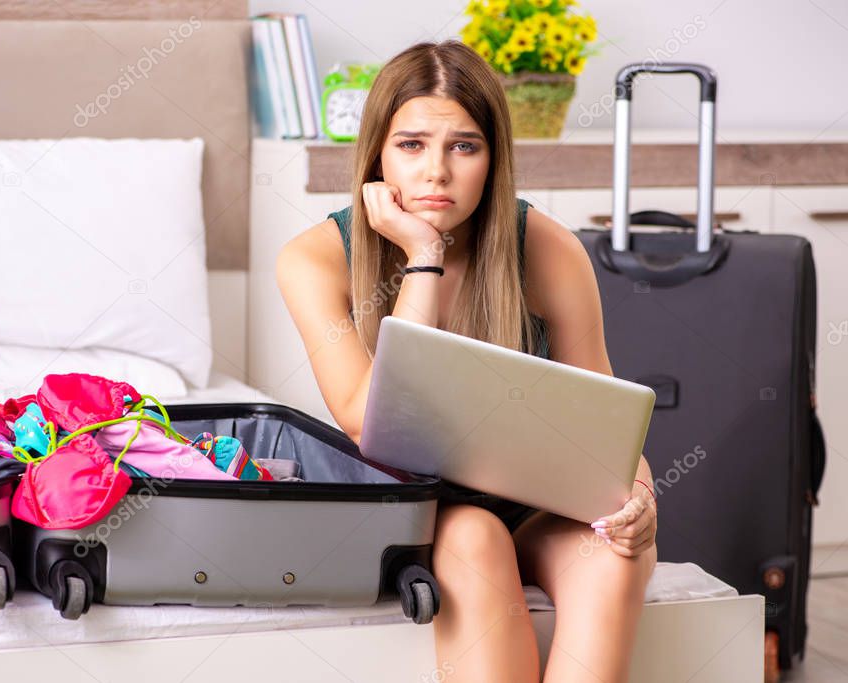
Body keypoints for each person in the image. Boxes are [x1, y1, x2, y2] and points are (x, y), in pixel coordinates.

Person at [276, 40, 657, 683]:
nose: (436, 173)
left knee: (609, 554)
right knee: (477, 533)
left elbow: (607, 424)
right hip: (429, 510)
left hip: (544, 507)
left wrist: (638, 498)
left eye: (464, 146)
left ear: (493, 158)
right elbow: (369, 424)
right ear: (377, 155)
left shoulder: (546, 248)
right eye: (412, 145)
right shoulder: (315, 260)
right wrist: (422, 256)